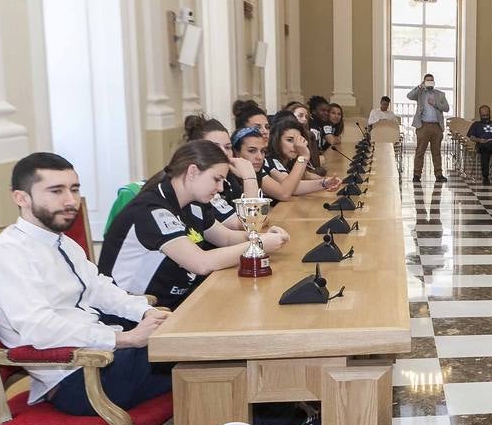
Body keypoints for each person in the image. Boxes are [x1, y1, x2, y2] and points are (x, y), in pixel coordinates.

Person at [0, 153, 174, 414]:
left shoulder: (62, 242)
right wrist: (126, 339)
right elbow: (40, 328)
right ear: (21, 198)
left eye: (74, 189)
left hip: (102, 358)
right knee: (198, 361)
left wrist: (146, 312)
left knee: (189, 346)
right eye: (56, 191)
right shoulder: (7, 254)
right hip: (77, 379)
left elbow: (99, 288)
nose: (71, 201)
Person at [98, 141, 289, 310]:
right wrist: (259, 245)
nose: (221, 188)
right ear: (192, 171)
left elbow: (226, 238)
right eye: (217, 179)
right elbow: (201, 263)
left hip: (177, 304)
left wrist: (260, 237)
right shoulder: (152, 209)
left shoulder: (193, 204)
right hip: (134, 317)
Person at [183, 114, 256, 229]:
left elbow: (255, 221)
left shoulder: (228, 179)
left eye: (227, 147)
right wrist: (249, 178)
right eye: (215, 147)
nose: (224, 153)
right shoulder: (201, 186)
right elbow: (249, 222)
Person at [261, 118, 341, 202]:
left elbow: (307, 175)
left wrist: (327, 181)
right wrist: (304, 156)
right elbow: (293, 188)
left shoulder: (289, 160)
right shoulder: (270, 160)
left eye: (298, 141)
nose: (296, 145)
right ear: (276, 141)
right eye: (289, 140)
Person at [408, 73, 450, 183]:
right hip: (423, 125)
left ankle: (439, 174)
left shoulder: (440, 94)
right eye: (427, 80)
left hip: (436, 126)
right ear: (424, 81)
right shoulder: (420, 93)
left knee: (436, 152)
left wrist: (435, 104)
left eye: (431, 80)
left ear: (434, 82)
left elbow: (446, 108)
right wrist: (420, 87)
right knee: (420, 151)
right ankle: (417, 175)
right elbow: (409, 96)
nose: (430, 82)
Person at [466, 104, 492, 186]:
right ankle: (485, 177)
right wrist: (480, 140)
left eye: (487, 115)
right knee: (485, 149)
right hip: (482, 145)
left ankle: (489, 145)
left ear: (490, 114)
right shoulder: (476, 124)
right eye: (483, 115)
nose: (485, 117)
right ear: (480, 115)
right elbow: (471, 137)